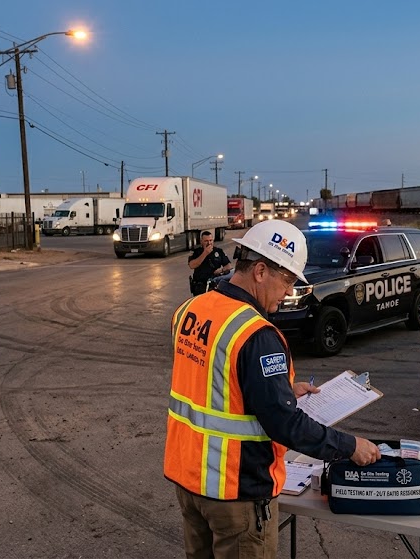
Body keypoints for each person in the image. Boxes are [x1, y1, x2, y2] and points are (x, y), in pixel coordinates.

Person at [164, 220, 382, 559]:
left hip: (190, 481)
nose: (289, 292)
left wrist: (277, 388)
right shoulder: (257, 334)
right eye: (288, 281)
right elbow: (284, 424)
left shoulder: (191, 309)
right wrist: (350, 446)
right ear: (261, 271)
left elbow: (211, 382)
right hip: (235, 490)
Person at [187, 231, 232, 295]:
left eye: (210, 240)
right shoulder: (196, 252)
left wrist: (221, 270)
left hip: (215, 285)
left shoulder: (218, 251)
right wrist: (205, 253)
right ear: (201, 241)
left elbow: (229, 266)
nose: (209, 243)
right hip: (200, 287)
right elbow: (192, 265)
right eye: (206, 241)